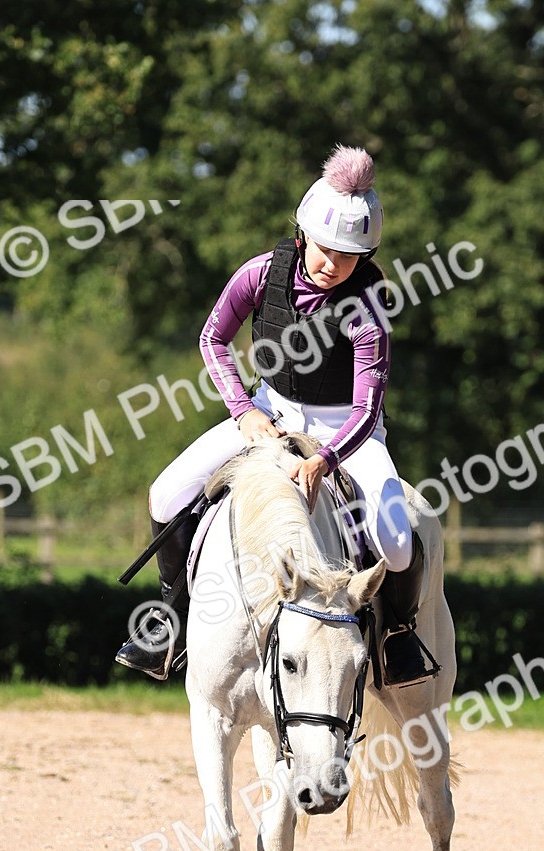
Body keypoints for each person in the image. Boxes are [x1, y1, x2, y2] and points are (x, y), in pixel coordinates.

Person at [116, 144, 437, 687]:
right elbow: (212, 339)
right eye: (325, 248)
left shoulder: (368, 307)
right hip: (269, 411)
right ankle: (171, 620)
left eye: (349, 255)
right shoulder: (262, 273)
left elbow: (368, 405)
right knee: (166, 494)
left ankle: (397, 635)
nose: (333, 263)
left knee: (399, 542)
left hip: (347, 431)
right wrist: (243, 411)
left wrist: (326, 461)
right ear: (302, 232)